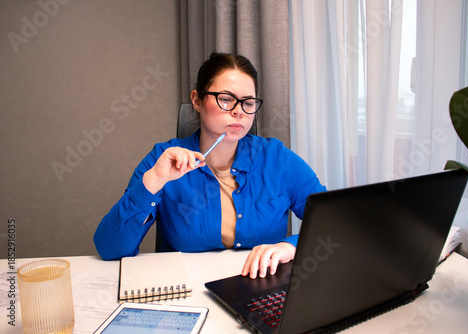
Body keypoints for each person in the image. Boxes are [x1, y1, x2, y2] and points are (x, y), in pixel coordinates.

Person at [93, 53, 326, 279]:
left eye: (248, 102)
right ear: (197, 100)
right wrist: (154, 181)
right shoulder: (163, 159)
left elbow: (333, 224)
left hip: (259, 289)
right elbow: (110, 249)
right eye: (226, 99)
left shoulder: (279, 159)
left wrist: (290, 246)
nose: (238, 111)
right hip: (187, 292)